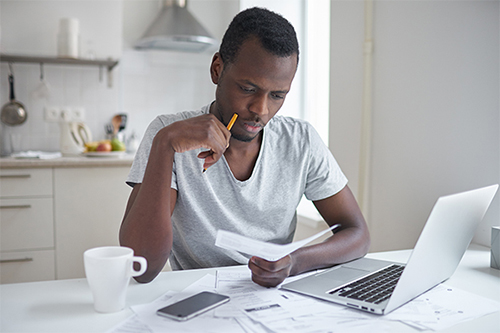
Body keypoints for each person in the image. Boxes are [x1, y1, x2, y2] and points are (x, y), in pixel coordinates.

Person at [119, 7, 370, 287]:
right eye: (248, 89)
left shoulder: (301, 140)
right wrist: (164, 145)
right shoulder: (169, 134)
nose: (260, 110)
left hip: (273, 299)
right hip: (197, 301)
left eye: (277, 95)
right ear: (217, 69)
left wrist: (295, 261)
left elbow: (357, 233)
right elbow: (142, 267)